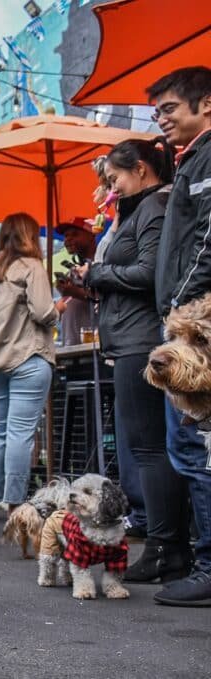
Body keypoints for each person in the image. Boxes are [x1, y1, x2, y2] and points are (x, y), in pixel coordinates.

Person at [76, 137, 191, 584]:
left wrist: (99, 274)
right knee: (145, 446)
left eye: (116, 178)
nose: (112, 187)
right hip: (130, 338)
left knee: (148, 446)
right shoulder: (143, 208)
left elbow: (148, 273)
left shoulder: (154, 208)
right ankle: (166, 542)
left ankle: (165, 545)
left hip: (141, 339)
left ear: (141, 169)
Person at [148, 66, 211, 606]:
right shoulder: (192, 160)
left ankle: (209, 565)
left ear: (206, 103)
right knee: (189, 448)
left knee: (197, 449)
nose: (161, 119)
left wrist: (178, 312)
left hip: (195, 324)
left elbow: (209, 240)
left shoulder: (209, 157)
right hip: (187, 321)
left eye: (169, 108)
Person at [0, 214, 60, 520]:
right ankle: (15, 503)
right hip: (29, 357)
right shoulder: (32, 268)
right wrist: (57, 310)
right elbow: (42, 311)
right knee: (21, 433)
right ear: (30, 236)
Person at [53, 219, 98, 347]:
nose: (68, 240)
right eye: (66, 236)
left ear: (91, 234)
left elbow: (105, 299)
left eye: (74, 234)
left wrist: (75, 292)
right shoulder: (73, 269)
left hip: (94, 349)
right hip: (71, 347)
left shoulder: (103, 263)